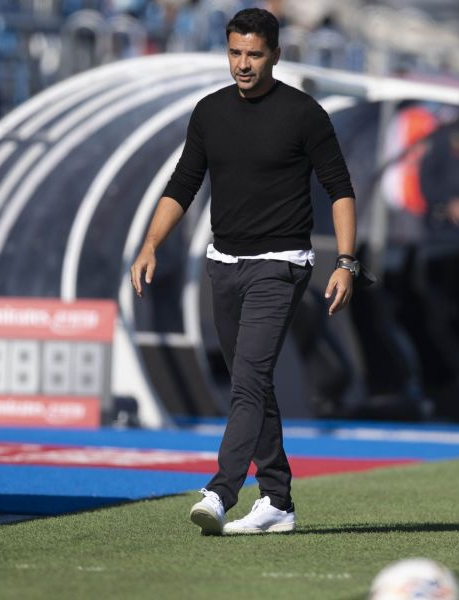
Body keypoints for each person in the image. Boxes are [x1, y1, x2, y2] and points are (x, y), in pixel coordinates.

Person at [130, 8, 357, 535]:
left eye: (254, 54)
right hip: (223, 265)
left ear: (275, 54)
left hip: (280, 266)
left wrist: (346, 262)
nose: (243, 64)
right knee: (250, 383)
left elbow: (340, 189)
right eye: (235, 53)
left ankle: (221, 490)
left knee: (249, 381)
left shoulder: (304, 114)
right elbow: (183, 184)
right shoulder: (209, 112)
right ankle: (277, 499)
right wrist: (149, 244)